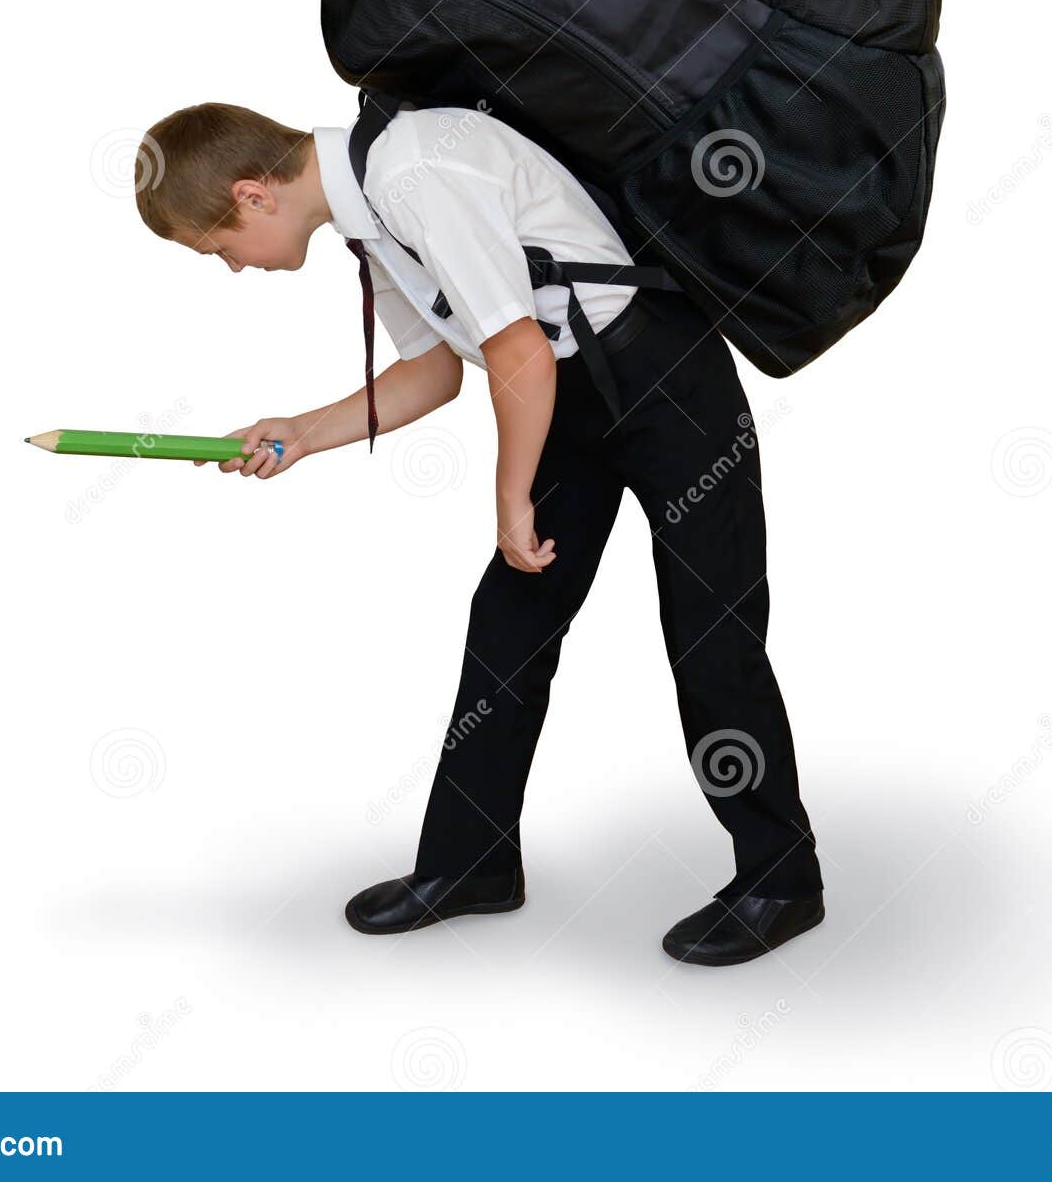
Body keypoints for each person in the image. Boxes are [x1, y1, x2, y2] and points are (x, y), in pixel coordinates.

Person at [134, 97, 824, 965]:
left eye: (218, 250)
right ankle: (473, 862)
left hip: (664, 378)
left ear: (251, 195)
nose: (233, 268)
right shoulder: (370, 219)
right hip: (570, 391)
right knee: (508, 625)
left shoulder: (411, 172)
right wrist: (302, 433)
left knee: (710, 634)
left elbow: (517, 350)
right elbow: (433, 373)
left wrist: (511, 497)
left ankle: (782, 880)